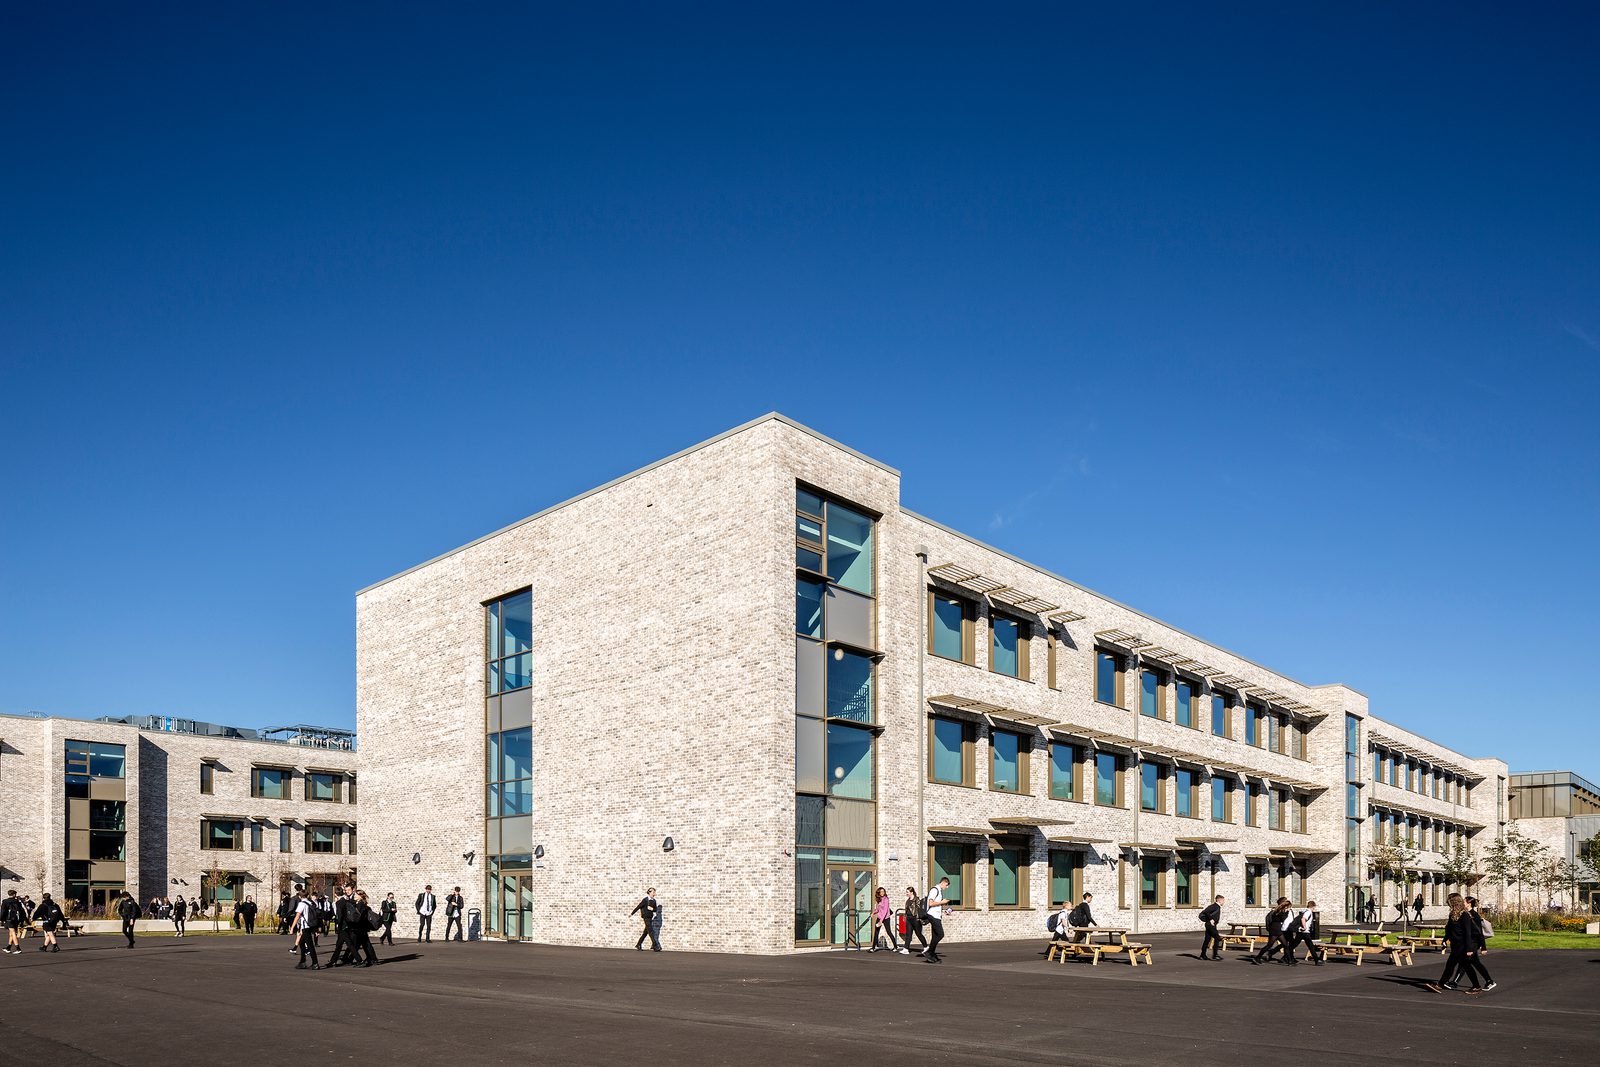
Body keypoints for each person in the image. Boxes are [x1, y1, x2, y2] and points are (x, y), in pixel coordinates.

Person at [1429, 893, 1489, 994]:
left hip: (1462, 945)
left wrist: (1470, 948)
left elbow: (1468, 932)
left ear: (1454, 902)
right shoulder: (1452, 914)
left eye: (1449, 902)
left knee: (1454, 965)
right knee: (1461, 965)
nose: (1448, 904)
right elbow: (1449, 929)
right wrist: (1445, 939)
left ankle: (1440, 984)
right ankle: (1475, 986)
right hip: (1455, 944)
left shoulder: (1464, 915)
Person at [1462, 897, 1497, 990]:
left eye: (1464, 901)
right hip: (1472, 942)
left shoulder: (1474, 915)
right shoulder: (1466, 914)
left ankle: (1478, 984)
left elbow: (1479, 932)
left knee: (1466, 963)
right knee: (1475, 963)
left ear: (1469, 903)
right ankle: (1489, 981)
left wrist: (1483, 947)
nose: (1462, 902)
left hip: (1474, 943)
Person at [1252, 899, 1294, 964]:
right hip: (1277, 929)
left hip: (1275, 929)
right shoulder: (1282, 912)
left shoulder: (1277, 910)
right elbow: (1283, 919)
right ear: (1286, 907)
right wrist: (1287, 912)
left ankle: (1290, 961)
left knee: (1283, 945)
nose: (1290, 909)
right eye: (1289, 907)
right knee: (1271, 945)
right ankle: (1257, 957)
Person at [921, 877, 950, 963]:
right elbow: (930, 903)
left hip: (936, 915)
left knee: (935, 936)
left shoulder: (939, 891)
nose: (947, 887)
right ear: (944, 883)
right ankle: (929, 951)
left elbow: (936, 905)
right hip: (933, 916)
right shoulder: (935, 890)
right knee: (940, 934)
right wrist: (943, 902)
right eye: (947, 885)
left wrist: (944, 911)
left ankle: (931, 954)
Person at [293, 890, 321, 970]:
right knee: (301, 943)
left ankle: (315, 963)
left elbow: (297, 916)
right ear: (308, 895)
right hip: (311, 925)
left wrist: (292, 928)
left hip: (306, 926)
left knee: (310, 945)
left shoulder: (301, 904)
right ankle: (302, 961)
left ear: (299, 896)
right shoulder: (311, 903)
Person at [900, 886, 927, 955]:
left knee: (918, 934)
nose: (906, 893)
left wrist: (918, 918)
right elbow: (907, 909)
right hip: (909, 919)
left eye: (907, 892)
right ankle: (906, 949)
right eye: (906, 892)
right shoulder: (908, 900)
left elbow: (919, 910)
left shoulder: (917, 900)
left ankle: (926, 947)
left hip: (915, 919)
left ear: (911, 892)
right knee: (908, 934)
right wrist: (905, 916)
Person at [868, 887, 895, 952]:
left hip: (886, 918)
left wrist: (881, 921)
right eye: (881, 892)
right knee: (876, 932)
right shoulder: (879, 900)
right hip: (879, 917)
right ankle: (873, 948)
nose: (882, 893)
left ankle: (895, 946)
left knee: (889, 932)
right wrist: (873, 913)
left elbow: (885, 911)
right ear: (879, 893)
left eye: (883, 891)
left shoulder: (886, 899)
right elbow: (878, 909)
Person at [1199, 895, 1224, 960]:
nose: (1223, 902)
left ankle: (1202, 955)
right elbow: (1206, 911)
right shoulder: (1215, 906)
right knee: (1217, 938)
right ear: (1219, 900)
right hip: (1210, 925)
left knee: (1207, 940)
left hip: (1210, 925)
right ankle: (1215, 955)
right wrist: (1211, 919)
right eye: (1223, 900)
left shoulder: (1216, 907)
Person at [1, 889, 25, 954]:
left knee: (13, 932)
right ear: (14, 894)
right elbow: (22, 911)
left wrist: (2, 919)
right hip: (16, 919)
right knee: (11, 933)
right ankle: (8, 947)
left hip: (9, 919)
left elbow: (3, 911)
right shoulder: (18, 902)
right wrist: (22, 921)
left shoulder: (5, 901)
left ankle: (18, 948)